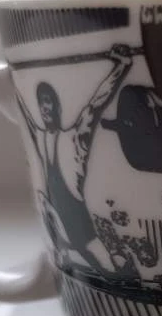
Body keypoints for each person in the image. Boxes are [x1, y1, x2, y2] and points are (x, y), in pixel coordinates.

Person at [16, 45, 133, 274]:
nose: (44, 108)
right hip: (60, 229)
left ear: (57, 107)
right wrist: (13, 77)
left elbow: (96, 104)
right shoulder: (40, 138)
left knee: (114, 272)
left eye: (48, 101)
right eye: (40, 102)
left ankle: (123, 267)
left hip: (82, 229)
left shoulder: (75, 138)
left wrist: (122, 67)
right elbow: (24, 111)